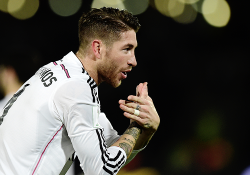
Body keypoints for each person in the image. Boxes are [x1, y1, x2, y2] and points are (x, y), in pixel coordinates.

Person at [0, 7, 160, 175]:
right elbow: (102, 169)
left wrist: (145, 129)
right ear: (98, 48)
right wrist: (135, 127)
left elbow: (111, 150)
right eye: (126, 49)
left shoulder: (60, 72)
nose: (133, 61)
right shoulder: (76, 88)